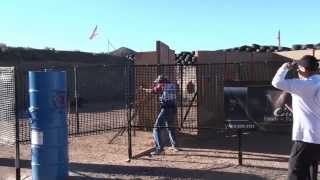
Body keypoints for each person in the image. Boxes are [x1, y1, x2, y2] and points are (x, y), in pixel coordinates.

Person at [271, 55, 320, 180]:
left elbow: (276, 82)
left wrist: (285, 67)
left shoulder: (302, 85)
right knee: (311, 168)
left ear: (303, 69)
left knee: (296, 172)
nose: (297, 71)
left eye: (298, 68)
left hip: (307, 137)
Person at [141, 75, 179, 155]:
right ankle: (175, 146)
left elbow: (153, 91)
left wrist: (143, 89)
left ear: (162, 82)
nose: (158, 84)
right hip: (173, 108)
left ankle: (159, 148)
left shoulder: (162, 86)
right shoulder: (172, 86)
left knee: (156, 129)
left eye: (159, 82)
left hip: (166, 109)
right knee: (170, 127)